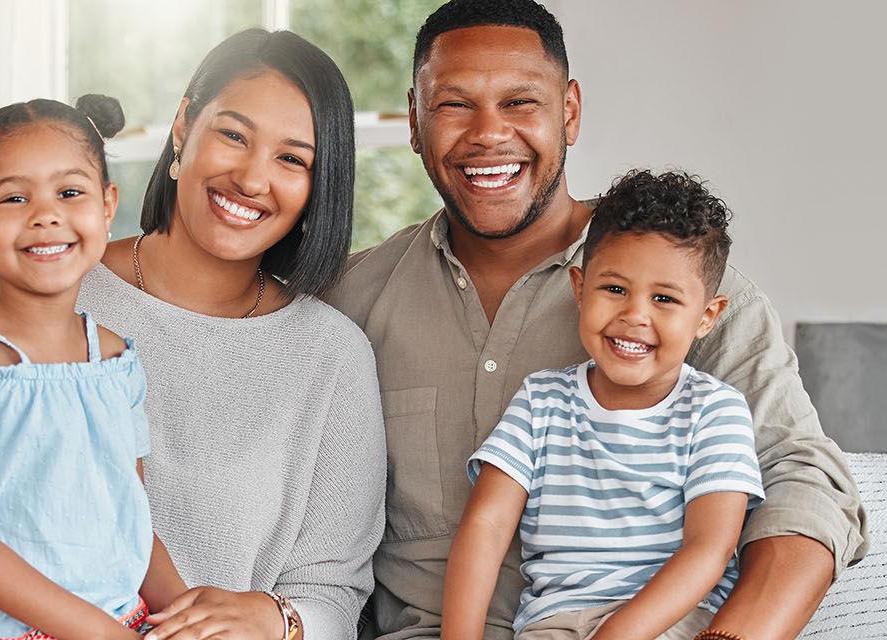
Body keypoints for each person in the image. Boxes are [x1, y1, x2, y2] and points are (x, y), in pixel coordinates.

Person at [322, 1, 868, 639]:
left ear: (570, 111)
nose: (489, 134)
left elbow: (803, 482)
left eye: (522, 102)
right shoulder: (349, 304)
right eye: (453, 105)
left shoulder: (691, 298)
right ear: (415, 122)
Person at [0, 29, 387, 640]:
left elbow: (334, 593)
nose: (251, 178)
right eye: (233, 135)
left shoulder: (332, 355)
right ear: (182, 126)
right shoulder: (54, 277)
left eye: (292, 158)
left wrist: (279, 621)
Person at [0, 94, 190, 640]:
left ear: (106, 206)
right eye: (14, 198)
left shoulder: (117, 360)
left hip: (121, 623)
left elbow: (132, 521)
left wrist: (185, 617)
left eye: (69, 192)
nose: (46, 214)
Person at [441, 170, 764, 640]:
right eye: (614, 289)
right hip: (554, 625)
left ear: (707, 317)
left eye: (664, 298)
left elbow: (708, 550)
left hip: (670, 622)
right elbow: (486, 526)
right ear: (579, 288)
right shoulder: (541, 401)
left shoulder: (715, 411)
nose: (634, 315)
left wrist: (617, 635)